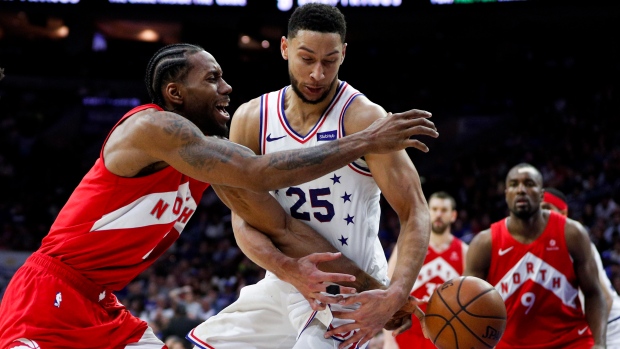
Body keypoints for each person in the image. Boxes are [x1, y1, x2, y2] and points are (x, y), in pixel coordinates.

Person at [0, 42, 438, 349]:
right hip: (48, 296)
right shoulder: (153, 127)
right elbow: (258, 172)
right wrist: (366, 139)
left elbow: (281, 226)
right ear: (175, 93)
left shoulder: (209, 163)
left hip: (101, 303)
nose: (227, 88)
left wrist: (377, 293)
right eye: (213, 79)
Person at [188, 4, 431, 349]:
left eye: (329, 61)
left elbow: (415, 210)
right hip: (285, 281)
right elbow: (244, 221)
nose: (317, 73)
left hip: (349, 288)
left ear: (344, 55)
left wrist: (395, 292)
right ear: (285, 48)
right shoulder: (252, 119)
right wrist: (290, 270)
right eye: (307, 59)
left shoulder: (363, 118)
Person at [464, 163, 607, 349]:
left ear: (541, 194)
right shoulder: (484, 243)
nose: (521, 190)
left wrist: (599, 344)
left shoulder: (571, 233)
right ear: (506, 194)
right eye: (514, 185)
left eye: (529, 183)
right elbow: (466, 305)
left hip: (571, 341)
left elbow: (594, 293)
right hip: (508, 344)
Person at [383, 191, 468, 349]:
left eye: (443, 210)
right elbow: (387, 292)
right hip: (407, 337)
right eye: (434, 209)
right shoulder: (409, 246)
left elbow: (471, 302)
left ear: (453, 215)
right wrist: (389, 341)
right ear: (428, 212)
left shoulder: (464, 252)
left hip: (447, 339)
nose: (438, 214)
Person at [542, 187, 620, 348]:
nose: (542, 215)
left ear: (563, 214)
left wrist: (594, 341)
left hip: (610, 328)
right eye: (538, 209)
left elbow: (605, 299)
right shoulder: (541, 250)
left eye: (547, 208)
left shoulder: (575, 243)